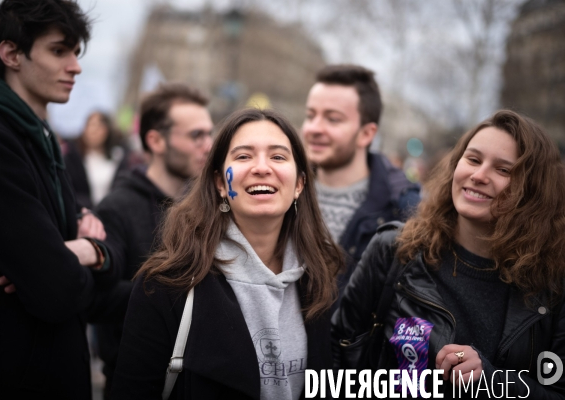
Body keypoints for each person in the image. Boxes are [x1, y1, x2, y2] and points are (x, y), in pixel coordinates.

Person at [112, 108, 343, 399]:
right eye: (244, 156)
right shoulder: (166, 285)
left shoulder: (321, 278)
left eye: (278, 157)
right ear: (221, 183)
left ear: (299, 184)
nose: (262, 167)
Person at [332, 110, 565, 397]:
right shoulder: (395, 250)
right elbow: (335, 360)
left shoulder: (553, 283)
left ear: (533, 191)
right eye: (473, 159)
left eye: (503, 170)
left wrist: (491, 381)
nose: (479, 176)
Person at [0, 1, 114, 399]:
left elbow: (98, 264)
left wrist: (91, 253)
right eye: (58, 50)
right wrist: (84, 260)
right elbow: (57, 292)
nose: (75, 67)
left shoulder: (41, 139)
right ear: (12, 53)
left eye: (75, 53)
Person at [93, 82, 214, 399]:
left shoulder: (210, 208)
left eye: (209, 134)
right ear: (156, 140)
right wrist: (175, 291)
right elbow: (96, 300)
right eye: (195, 135)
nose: (208, 145)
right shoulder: (117, 208)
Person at [301, 64, 420, 305]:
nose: (314, 128)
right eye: (310, 115)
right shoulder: (282, 192)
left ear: (367, 134)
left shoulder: (404, 212)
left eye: (333, 119)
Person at [63, 111, 129, 209]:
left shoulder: (118, 157)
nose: (93, 130)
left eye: (98, 126)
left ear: (107, 130)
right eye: (89, 125)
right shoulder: (73, 159)